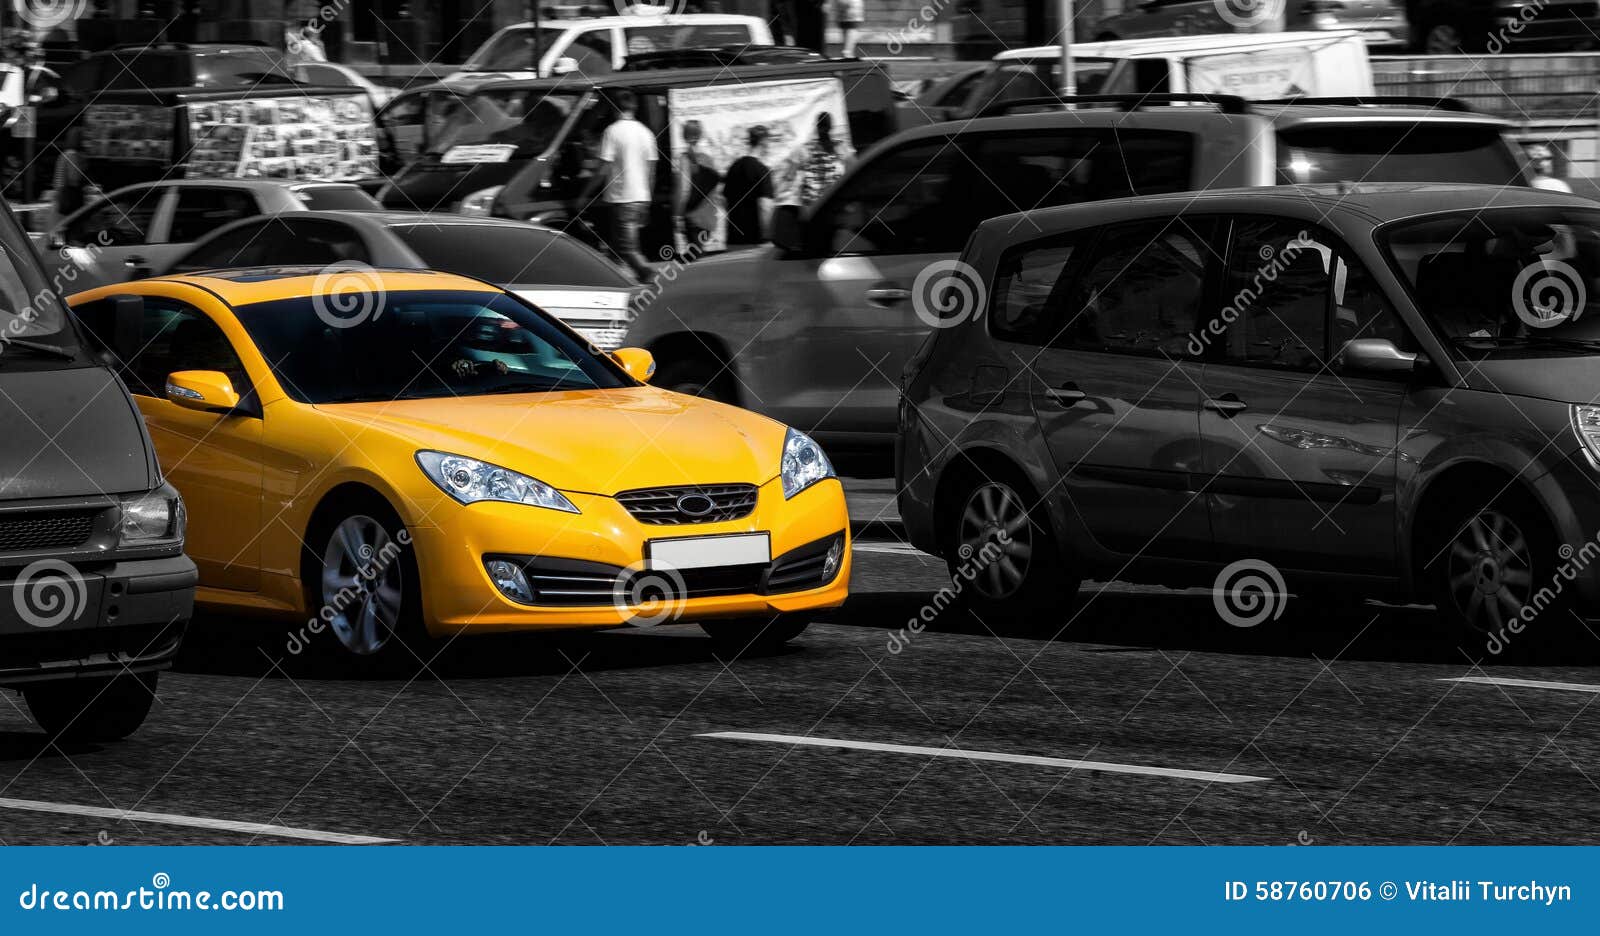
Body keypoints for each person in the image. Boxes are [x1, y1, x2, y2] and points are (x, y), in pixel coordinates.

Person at [582, 89, 658, 281]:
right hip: (641, 197)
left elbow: (603, 168)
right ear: (634, 107)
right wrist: (648, 198)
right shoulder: (646, 133)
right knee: (618, 249)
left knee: (628, 249)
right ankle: (614, 282)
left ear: (614, 109)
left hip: (622, 198)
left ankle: (650, 277)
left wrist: (585, 194)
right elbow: (652, 170)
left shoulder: (612, 132)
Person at [722, 126, 774, 246]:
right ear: (763, 142)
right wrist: (768, 238)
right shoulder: (762, 170)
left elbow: (725, 201)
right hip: (754, 241)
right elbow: (765, 207)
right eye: (768, 142)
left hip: (733, 239)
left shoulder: (733, 167)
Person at [675, 119, 720, 251]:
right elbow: (714, 189)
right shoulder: (709, 159)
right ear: (700, 135)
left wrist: (677, 215)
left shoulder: (684, 159)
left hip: (693, 217)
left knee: (693, 258)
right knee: (699, 256)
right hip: (709, 217)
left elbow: (684, 191)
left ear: (683, 136)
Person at [799, 111, 845, 205]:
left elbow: (800, 179)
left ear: (816, 127)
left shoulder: (808, 148)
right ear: (831, 127)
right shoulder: (840, 147)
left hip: (814, 204)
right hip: (831, 202)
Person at [51, 127, 88, 223]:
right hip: (69, 197)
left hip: (61, 195)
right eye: (84, 138)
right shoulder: (72, 155)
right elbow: (74, 179)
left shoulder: (65, 154)